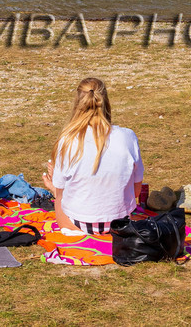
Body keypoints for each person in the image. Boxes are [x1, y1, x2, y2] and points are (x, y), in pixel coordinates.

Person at [40, 78, 143, 234]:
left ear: (77, 104)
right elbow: (136, 193)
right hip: (119, 223)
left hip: (77, 224)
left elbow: (62, 192)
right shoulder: (128, 136)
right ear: (106, 102)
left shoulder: (67, 141)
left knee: (60, 195)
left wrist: (56, 188)